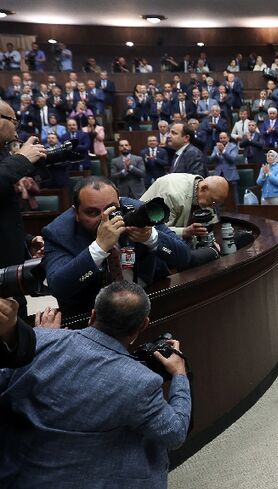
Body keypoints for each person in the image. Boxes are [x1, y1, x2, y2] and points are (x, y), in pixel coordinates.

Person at [0, 281, 190, 487]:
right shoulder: (141, 381)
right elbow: (175, 434)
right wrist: (180, 375)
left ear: (92, 315)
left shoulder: (33, 340)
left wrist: (45, 337)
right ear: (143, 324)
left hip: (16, 475)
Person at [42, 177, 191, 316]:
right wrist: (98, 248)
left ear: (119, 201)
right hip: (91, 313)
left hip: (147, 300)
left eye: (112, 209)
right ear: (76, 213)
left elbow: (184, 257)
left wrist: (151, 238)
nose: (104, 219)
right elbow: (59, 288)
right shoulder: (58, 232)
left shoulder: (137, 210)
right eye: (92, 212)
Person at [0, 101, 46, 319]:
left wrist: (25, 241)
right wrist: (21, 159)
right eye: (13, 121)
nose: (16, 127)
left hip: (9, 277)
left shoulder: (2, 154)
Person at [140, 174, 230, 240]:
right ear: (204, 188)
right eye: (212, 200)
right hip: (142, 234)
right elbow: (157, 230)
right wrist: (184, 232)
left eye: (217, 203)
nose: (212, 206)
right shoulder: (172, 194)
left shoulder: (201, 189)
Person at [209, 131, 240, 204]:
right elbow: (210, 160)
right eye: (221, 138)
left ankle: (237, 211)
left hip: (230, 175)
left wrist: (223, 151)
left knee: (233, 197)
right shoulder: (216, 147)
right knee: (218, 197)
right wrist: (218, 153)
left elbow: (232, 159)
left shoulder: (233, 146)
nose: (222, 139)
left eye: (224, 138)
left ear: (228, 138)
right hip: (219, 175)